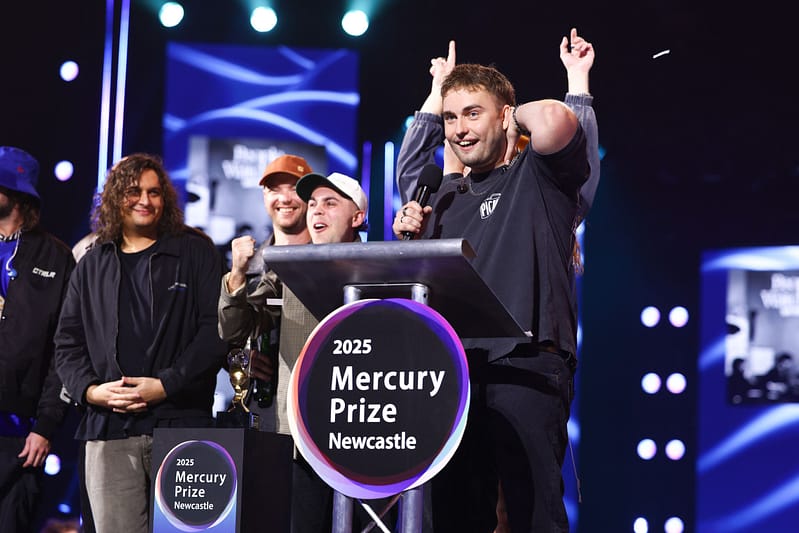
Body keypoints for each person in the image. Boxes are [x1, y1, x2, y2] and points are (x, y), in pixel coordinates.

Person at [392, 29, 597, 533]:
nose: (459, 130)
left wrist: (570, 84)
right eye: (450, 119)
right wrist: (438, 92)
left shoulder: (539, 177)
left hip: (526, 363)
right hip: (454, 370)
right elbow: (411, 165)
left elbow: (555, 122)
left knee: (532, 515)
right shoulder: (442, 196)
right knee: (456, 516)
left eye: (472, 114)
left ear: (505, 116)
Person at [54, 153, 227, 533]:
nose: (145, 201)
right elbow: (67, 343)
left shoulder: (196, 252)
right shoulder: (92, 263)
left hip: (182, 422)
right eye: (134, 192)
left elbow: (215, 331)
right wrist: (92, 391)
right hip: (109, 427)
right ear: (115, 198)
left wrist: (166, 384)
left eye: (154, 192)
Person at [219, 170, 367, 532]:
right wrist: (237, 275)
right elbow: (235, 328)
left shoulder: (380, 266)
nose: (317, 211)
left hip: (362, 435)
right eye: (313, 204)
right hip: (299, 437)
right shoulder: (287, 268)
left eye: (330, 203)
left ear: (357, 217)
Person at [0, 146, 75, 532]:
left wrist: (46, 425)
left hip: (20, 437)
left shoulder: (56, 258)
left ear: (16, 195)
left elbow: (65, 351)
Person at [219, 154, 314, 432]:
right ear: (264, 196)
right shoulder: (246, 266)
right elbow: (229, 337)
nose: (284, 198)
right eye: (274, 189)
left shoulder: (328, 262)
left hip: (314, 399)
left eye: (294, 188)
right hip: (264, 407)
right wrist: (239, 360)